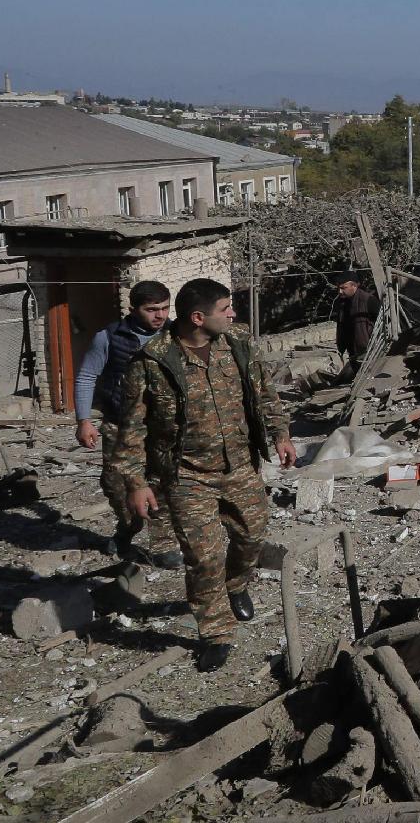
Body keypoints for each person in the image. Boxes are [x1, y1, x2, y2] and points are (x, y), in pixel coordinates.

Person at [110, 278, 297, 672]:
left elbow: (264, 392)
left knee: (252, 536)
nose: (233, 314)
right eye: (225, 308)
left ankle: (237, 585)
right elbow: (132, 429)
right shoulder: (153, 360)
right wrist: (136, 482)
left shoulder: (238, 342)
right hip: (186, 477)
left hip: (241, 466)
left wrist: (281, 434)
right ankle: (215, 631)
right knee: (203, 556)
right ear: (198, 318)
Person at [75, 280, 181, 569]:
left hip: (162, 429)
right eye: (151, 310)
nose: (160, 316)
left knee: (163, 485)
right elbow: (86, 377)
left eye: (164, 308)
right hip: (119, 425)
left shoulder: (178, 335)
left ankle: (163, 546)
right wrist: (84, 420)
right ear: (133, 309)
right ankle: (128, 527)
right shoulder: (109, 337)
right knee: (116, 486)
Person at [332, 274, 379, 371]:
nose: (340, 291)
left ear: (354, 286)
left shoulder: (368, 300)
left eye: (343, 288)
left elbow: (382, 323)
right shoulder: (342, 302)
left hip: (367, 349)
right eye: (338, 288)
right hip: (352, 349)